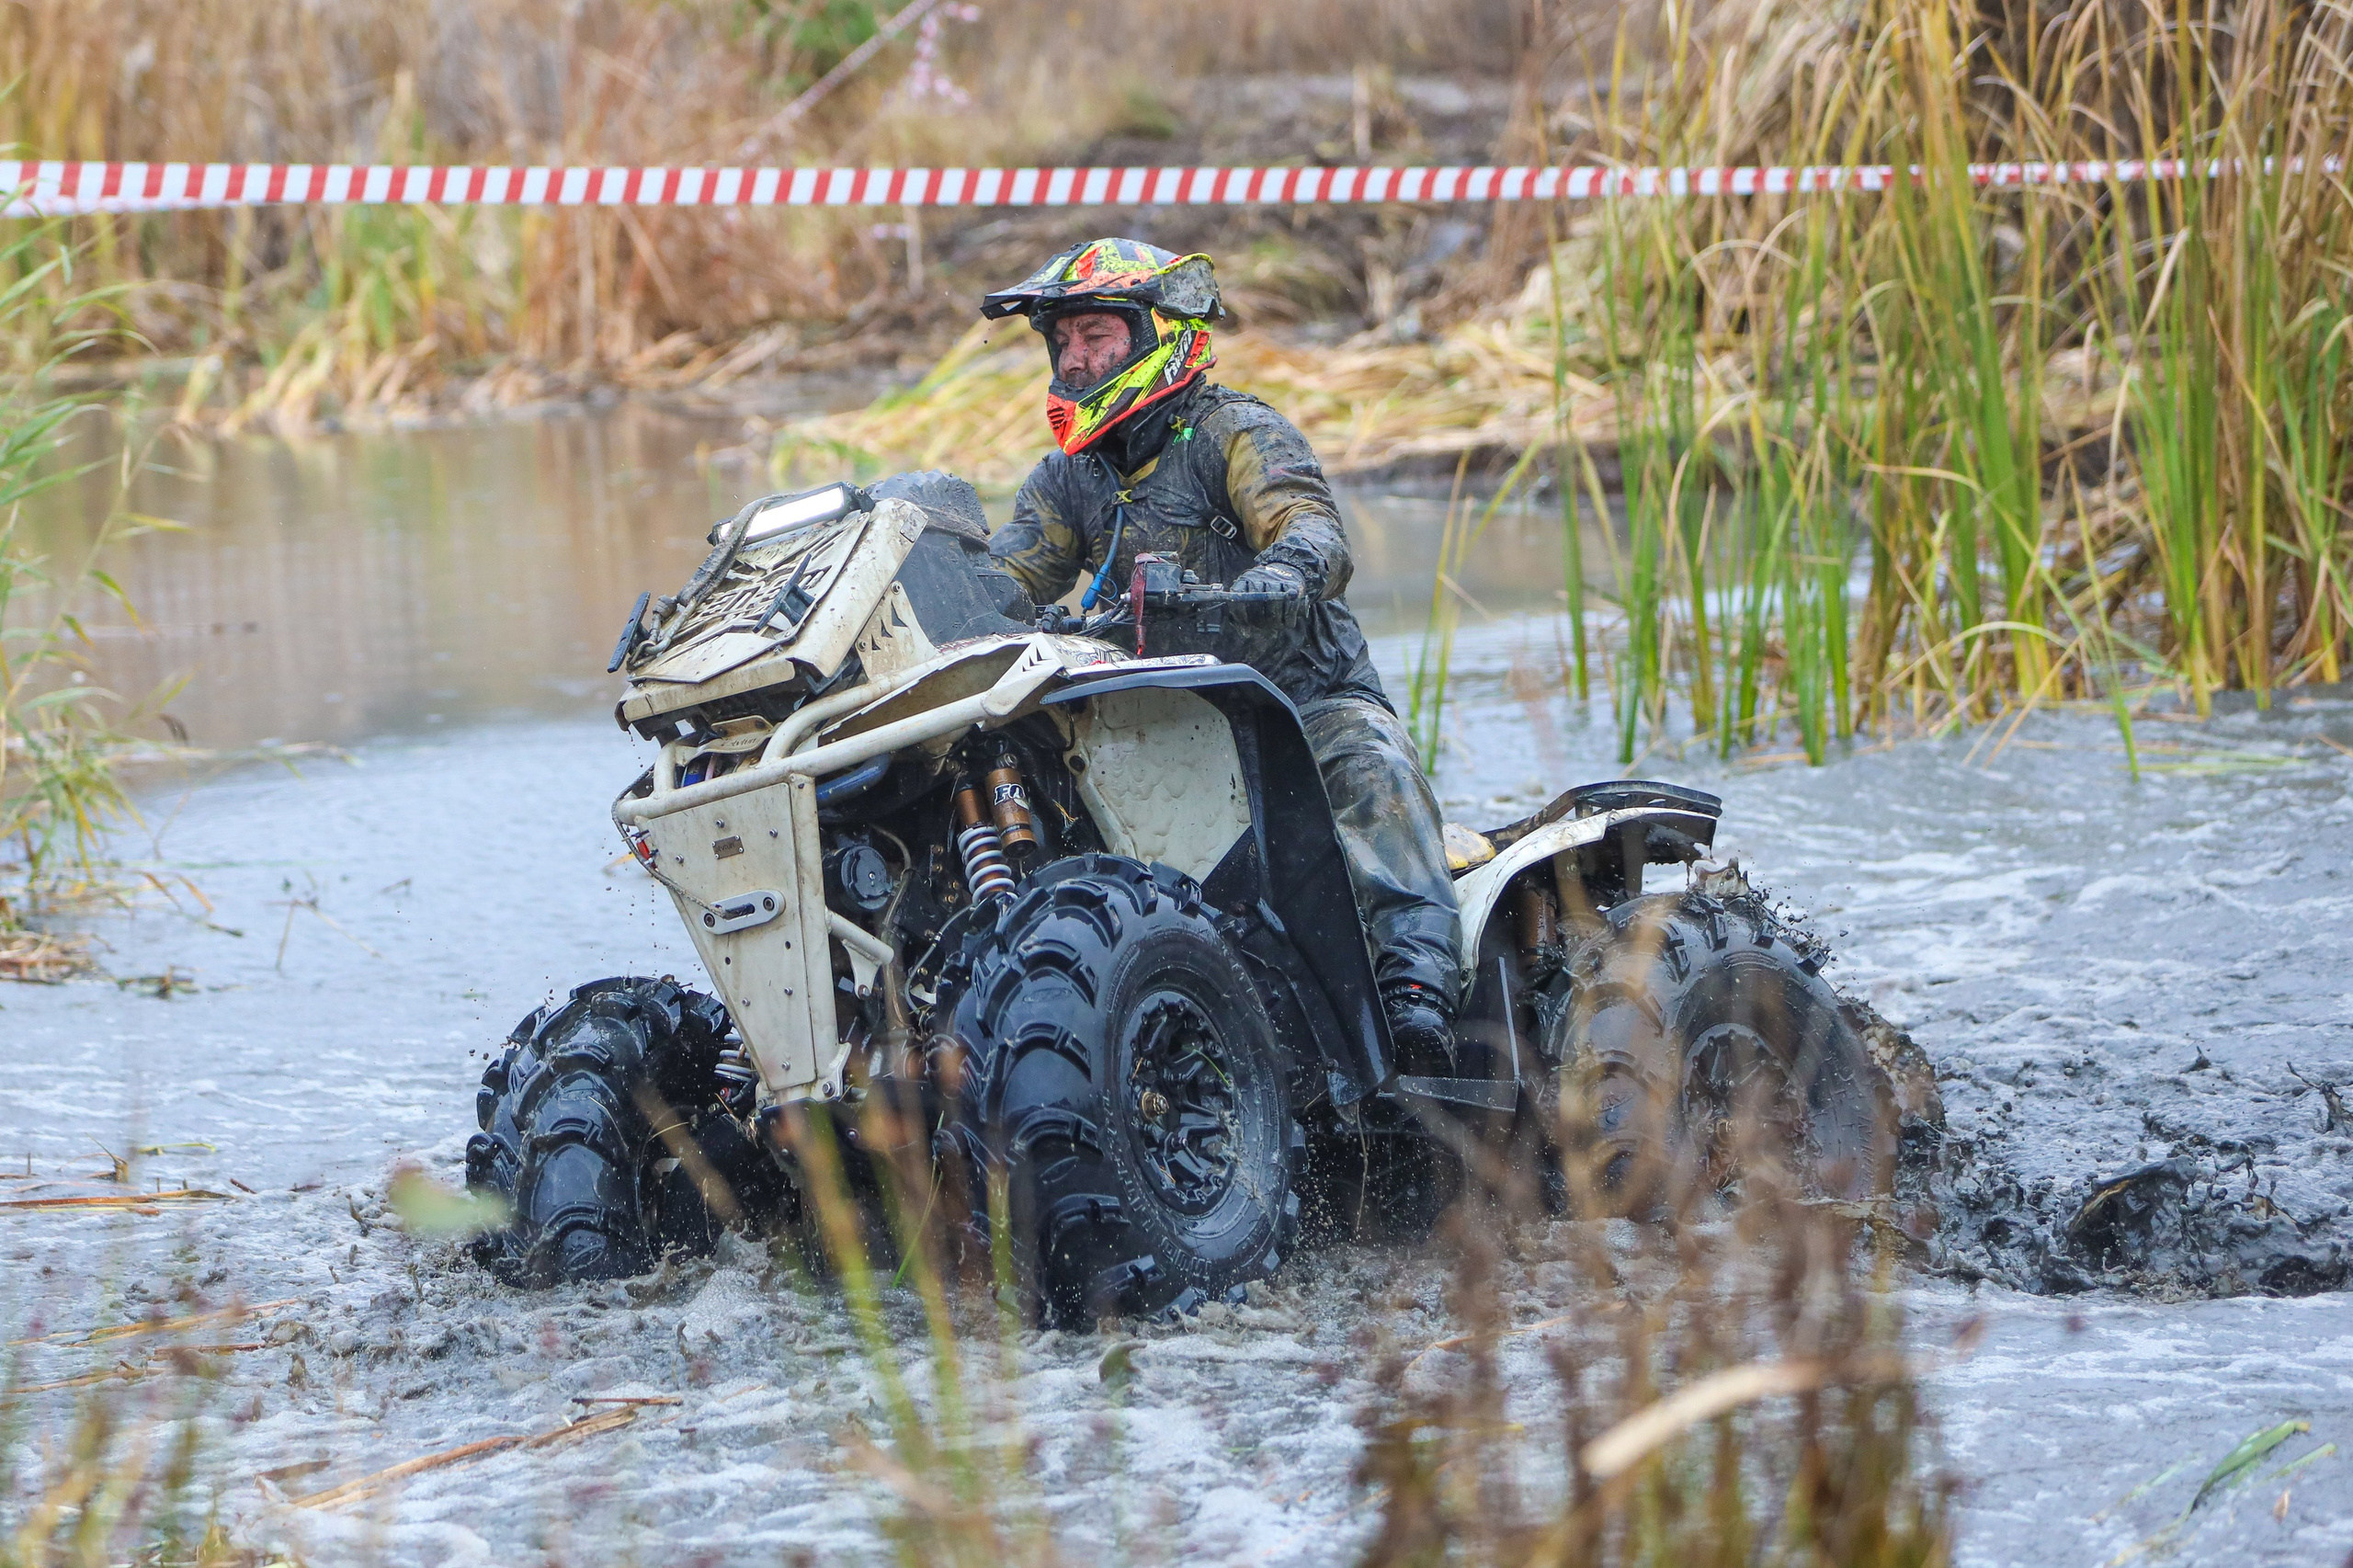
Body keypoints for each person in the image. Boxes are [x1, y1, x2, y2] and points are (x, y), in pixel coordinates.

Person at [979, 237, 1462, 1062]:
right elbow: (999, 580)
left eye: (1098, 336)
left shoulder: (1233, 432)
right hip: (1160, 726)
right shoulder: (1067, 480)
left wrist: (1277, 578)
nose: (1078, 359)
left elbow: (1311, 526)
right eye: (1064, 342)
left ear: (1162, 334)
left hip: (1298, 700)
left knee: (1368, 765)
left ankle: (1419, 990)